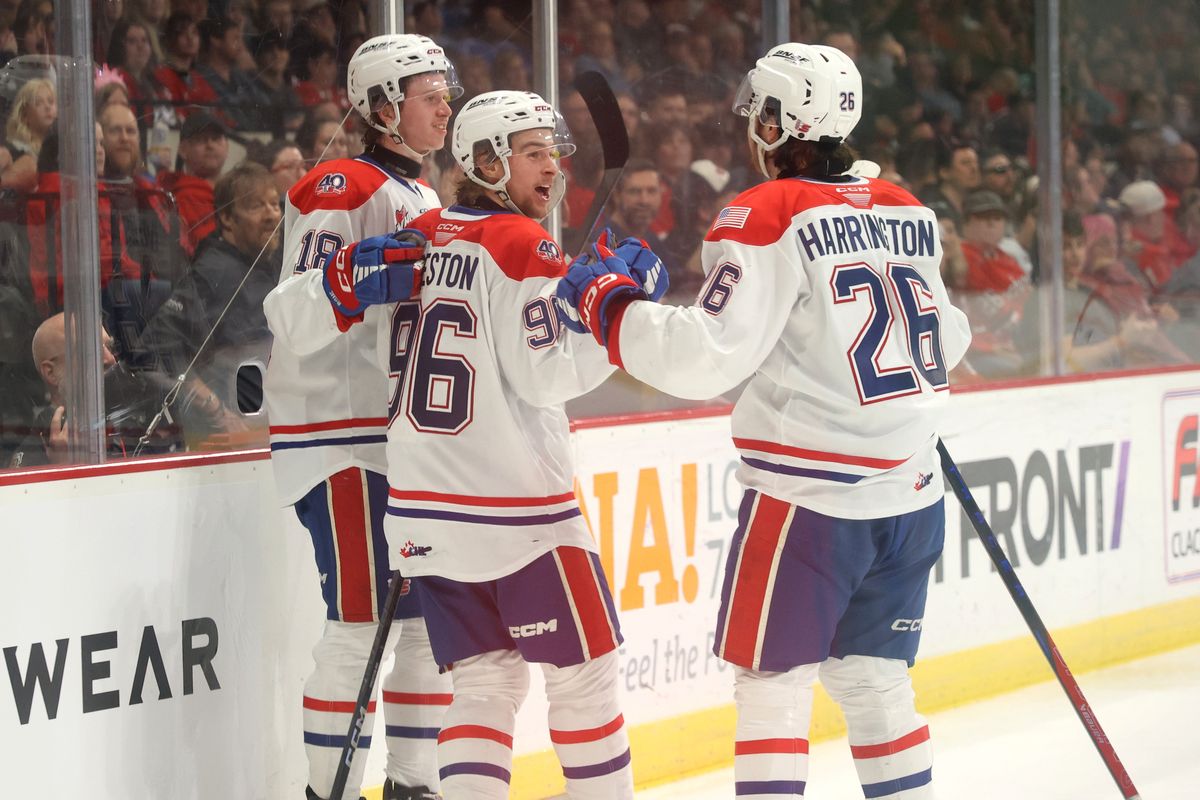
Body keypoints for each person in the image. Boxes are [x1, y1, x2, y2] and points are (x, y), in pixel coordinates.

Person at [557, 43, 971, 800]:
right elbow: (950, 339)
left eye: (764, 112)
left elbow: (708, 358)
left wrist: (611, 308)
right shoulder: (909, 208)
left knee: (773, 686)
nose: (754, 125)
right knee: (876, 684)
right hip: (911, 495)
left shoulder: (768, 211)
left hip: (810, 506)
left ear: (784, 123)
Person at [272, 88, 635, 800]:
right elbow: (546, 374)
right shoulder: (521, 242)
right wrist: (608, 317)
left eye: (555, 153)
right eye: (534, 152)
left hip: (425, 513)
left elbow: (300, 312)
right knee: (587, 678)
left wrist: (344, 283)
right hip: (521, 517)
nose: (554, 168)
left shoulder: (424, 234)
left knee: (484, 682)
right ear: (488, 160)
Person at [261, 34, 461, 800]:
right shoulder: (339, 184)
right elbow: (291, 313)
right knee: (356, 627)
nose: (444, 104)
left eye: (446, 91)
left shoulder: (427, 196)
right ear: (382, 106)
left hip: (400, 444)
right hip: (342, 441)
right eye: (428, 94)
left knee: (416, 628)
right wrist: (349, 280)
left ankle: (413, 785)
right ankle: (327, 793)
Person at [156, 111, 230, 254]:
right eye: (201, 140)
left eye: (216, 139)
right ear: (183, 150)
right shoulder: (184, 195)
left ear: (227, 146)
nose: (210, 145)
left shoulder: (236, 189)